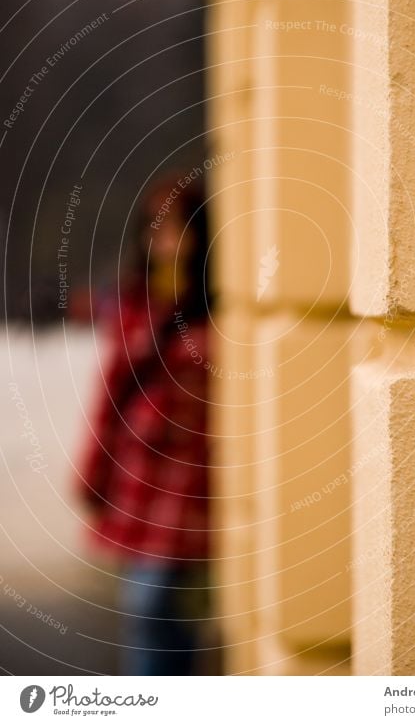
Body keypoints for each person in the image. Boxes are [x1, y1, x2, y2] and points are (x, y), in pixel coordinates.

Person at [76, 177, 211, 675]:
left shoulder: (214, 313)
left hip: (191, 484)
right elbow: (110, 396)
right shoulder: (136, 306)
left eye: (177, 227)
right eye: (155, 228)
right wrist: (93, 472)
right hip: (138, 479)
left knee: (156, 605)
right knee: (147, 608)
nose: (165, 240)